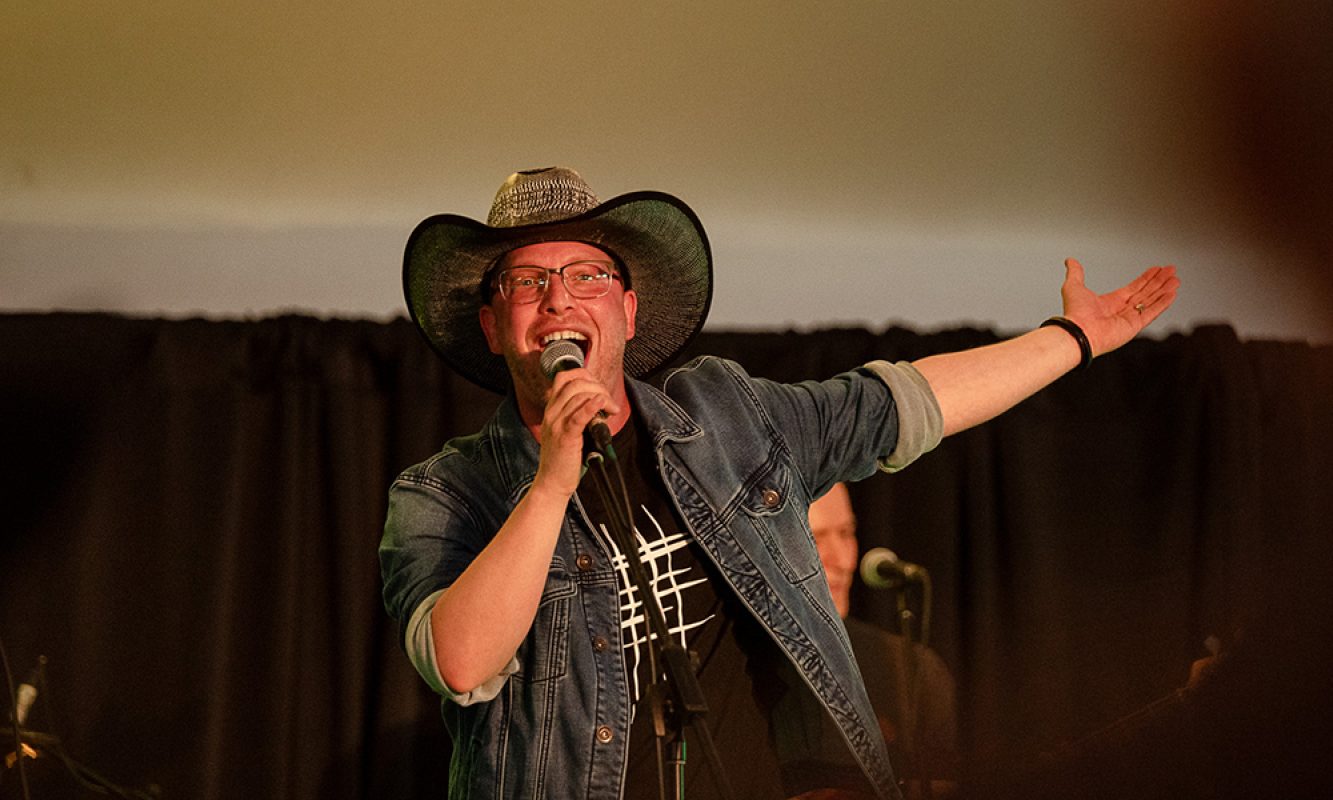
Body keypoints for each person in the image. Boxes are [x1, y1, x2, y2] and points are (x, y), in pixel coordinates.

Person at [378, 166, 1179, 800]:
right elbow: (460, 663)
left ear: (625, 308)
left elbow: (903, 403)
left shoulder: (730, 420)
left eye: (585, 275)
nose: (557, 298)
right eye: (525, 282)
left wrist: (1072, 339)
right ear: (492, 325)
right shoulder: (444, 494)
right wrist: (550, 485)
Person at [809, 482, 960, 799]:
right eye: (816, 538)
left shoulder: (909, 668)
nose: (842, 559)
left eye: (847, 534)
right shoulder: (735, 667)